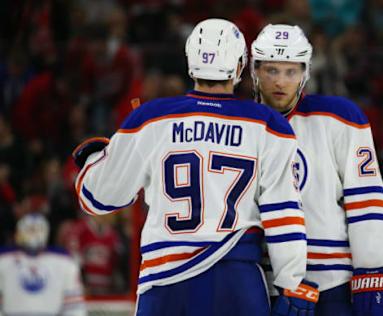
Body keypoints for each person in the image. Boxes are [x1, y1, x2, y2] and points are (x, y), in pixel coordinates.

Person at [72, 19, 318, 316]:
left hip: (166, 280)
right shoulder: (268, 124)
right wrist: (291, 284)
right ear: (240, 65)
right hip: (237, 280)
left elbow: (97, 197)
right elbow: (284, 213)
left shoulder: (151, 118)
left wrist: (93, 156)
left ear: (191, 61)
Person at [251, 24, 383, 316]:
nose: (280, 81)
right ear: (254, 71)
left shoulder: (338, 118)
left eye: (290, 71)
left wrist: (375, 275)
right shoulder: (240, 125)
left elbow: (366, 203)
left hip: (333, 283)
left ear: (305, 72)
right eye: (271, 70)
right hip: (262, 283)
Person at [0, 213, 86, 316]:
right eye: (30, 229)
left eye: (37, 230)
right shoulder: (4, 261)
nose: (33, 234)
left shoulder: (64, 263)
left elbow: (74, 306)